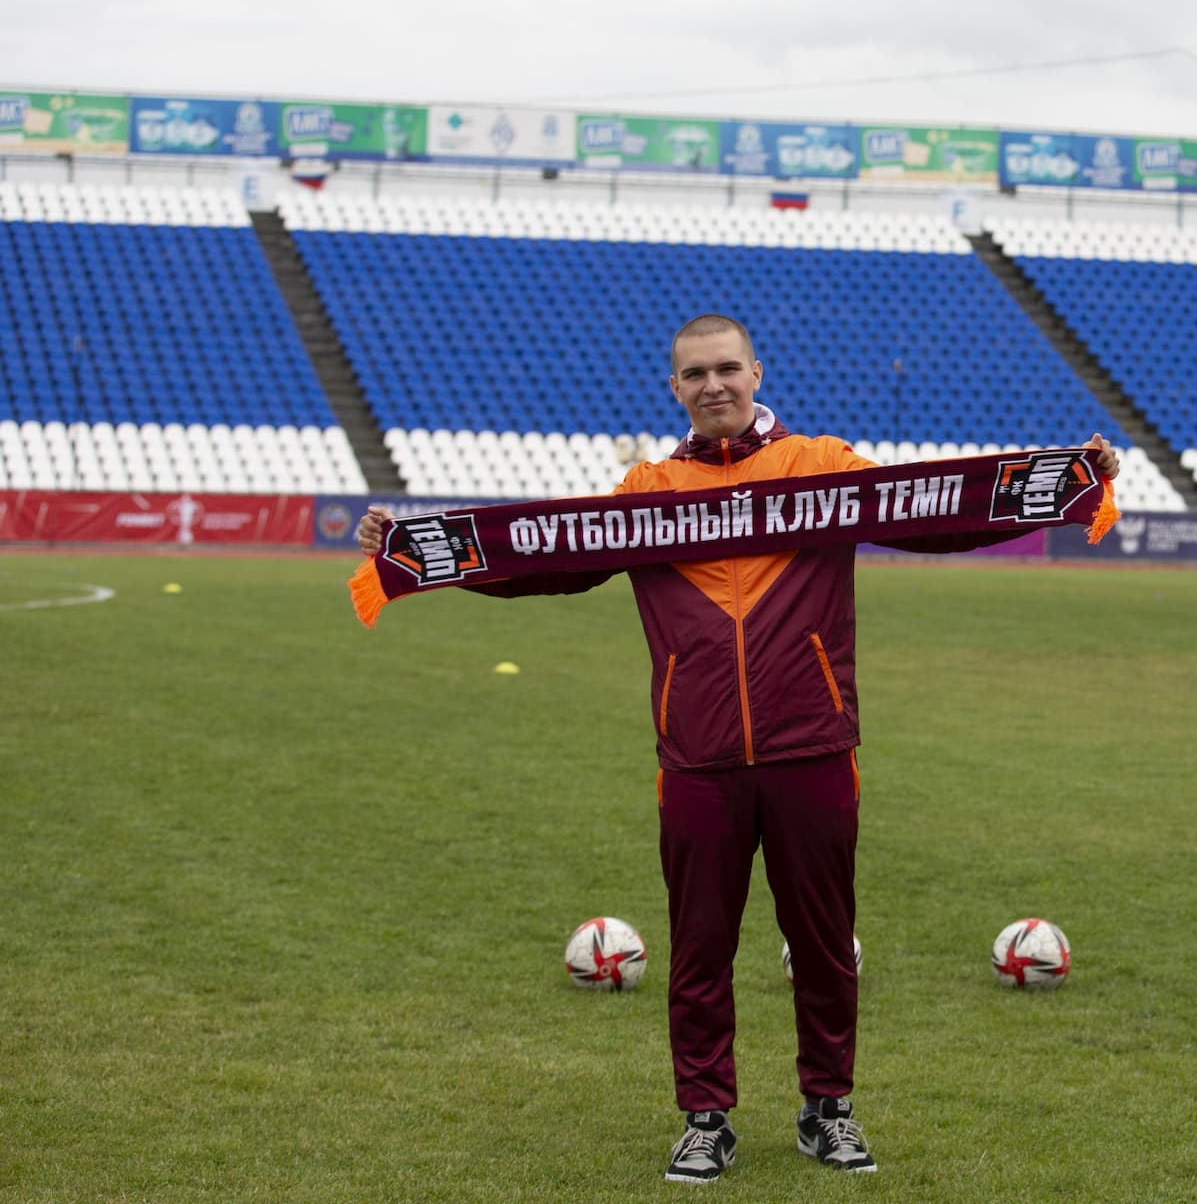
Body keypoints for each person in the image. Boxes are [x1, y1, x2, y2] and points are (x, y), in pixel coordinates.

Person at [357, 313, 1120, 1184]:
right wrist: (417, 550)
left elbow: (935, 511)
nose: (713, 385)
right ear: (674, 388)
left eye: (727, 369)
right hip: (697, 758)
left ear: (757, 373)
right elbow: (549, 556)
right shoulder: (647, 488)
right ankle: (705, 1117)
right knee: (699, 947)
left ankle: (828, 1107)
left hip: (815, 748)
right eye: (695, 374)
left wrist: (1069, 482)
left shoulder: (823, 466)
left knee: (825, 942)